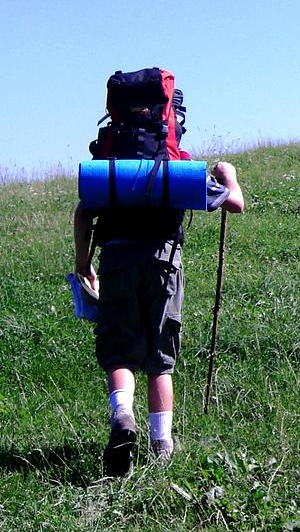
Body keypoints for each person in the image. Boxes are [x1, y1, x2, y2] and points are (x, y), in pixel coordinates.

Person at [74, 156, 245, 476]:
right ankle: (162, 446)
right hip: (164, 263)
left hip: (117, 260)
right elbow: (235, 203)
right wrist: (228, 176)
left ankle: (123, 413)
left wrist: (83, 264)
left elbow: (84, 211)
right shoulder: (175, 170)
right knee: (160, 361)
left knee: (120, 353)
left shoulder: (113, 169)